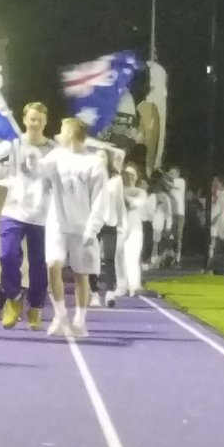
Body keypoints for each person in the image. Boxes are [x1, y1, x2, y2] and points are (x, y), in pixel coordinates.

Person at [0, 101, 56, 329]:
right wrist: (2, 136)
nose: (35, 123)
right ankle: (14, 298)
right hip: (13, 210)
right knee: (7, 255)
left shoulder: (54, 150)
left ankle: (35, 307)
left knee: (39, 265)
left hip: (42, 215)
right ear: (25, 120)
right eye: (32, 119)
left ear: (45, 122)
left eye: (39, 120)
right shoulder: (14, 143)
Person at [41, 117, 106, 338]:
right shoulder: (55, 156)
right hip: (57, 222)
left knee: (81, 274)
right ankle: (60, 315)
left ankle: (79, 320)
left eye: (62, 129)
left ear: (70, 133)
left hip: (82, 225)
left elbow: (100, 199)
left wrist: (93, 228)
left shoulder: (94, 162)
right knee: (53, 265)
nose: (58, 133)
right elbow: (37, 173)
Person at [91, 149, 127, 307]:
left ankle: (110, 292)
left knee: (109, 258)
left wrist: (123, 223)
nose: (100, 159)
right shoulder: (90, 176)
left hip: (110, 222)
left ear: (108, 159)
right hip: (94, 222)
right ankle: (93, 293)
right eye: (98, 156)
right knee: (92, 259)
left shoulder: (116, 179)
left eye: (103, 156)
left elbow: (120, 202)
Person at [119, 167, 147, 296]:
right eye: (127, 174)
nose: (130, 177)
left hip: (135, 228)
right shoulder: (117, 189)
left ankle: (134, 286)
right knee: (120, 258)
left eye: (133, 174)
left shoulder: (141, 192)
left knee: (133, 257)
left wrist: (124, 196)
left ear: (136, 177)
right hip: (119, 227)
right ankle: (121, 285)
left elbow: (137, 203)